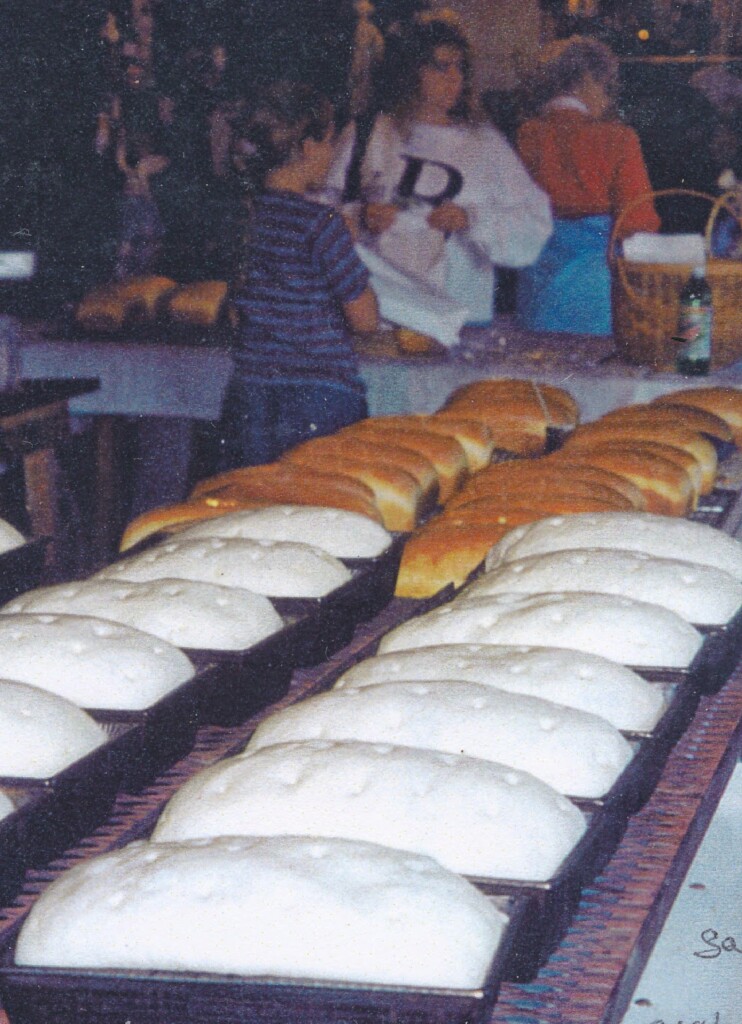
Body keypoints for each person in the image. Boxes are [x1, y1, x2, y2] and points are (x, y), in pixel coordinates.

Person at [321, 17, 552, 347]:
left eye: (460, 67)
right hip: (382, 314)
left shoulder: (485, 143)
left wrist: (472, 220)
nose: (454, 78)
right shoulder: (369, 133)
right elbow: (319, 211)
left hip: (460, 316)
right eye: (441, 67)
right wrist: (360, 215)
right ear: (410, 72)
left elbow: (534, 225)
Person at [220, 81, 378, 469]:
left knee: (255, 501)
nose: (330, 154)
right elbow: (365, 319)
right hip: (320, 394)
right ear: (308, 149)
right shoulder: (322, 224)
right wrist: (345, 244)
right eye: (328, 142)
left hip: (251, 391)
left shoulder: (242, 217)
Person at [515, 35, 660, 335]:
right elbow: (638, 221)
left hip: (537, 280)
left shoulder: (527, 135)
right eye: (605, 87)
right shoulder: (618, 138)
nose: (607, 100)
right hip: (597, 285)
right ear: (585, 80)